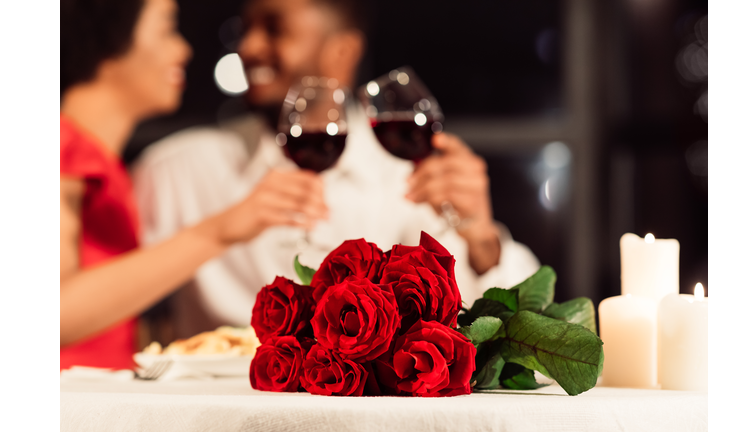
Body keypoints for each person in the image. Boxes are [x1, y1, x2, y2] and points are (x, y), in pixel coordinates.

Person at [132, 0, 541, 338]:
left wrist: (482, 240)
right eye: (246, 28)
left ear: (342, 52)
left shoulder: (406, 178)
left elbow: (518, 326)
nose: (249, 47)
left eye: (274, 28)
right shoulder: (179, 169)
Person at [60, 0, 321, 370]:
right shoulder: (61, 149)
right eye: (167, 29)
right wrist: (218, 232)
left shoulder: (100, 161)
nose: (183, 49)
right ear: (107, 36)